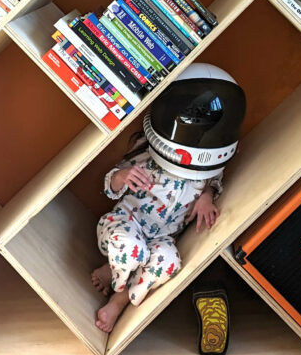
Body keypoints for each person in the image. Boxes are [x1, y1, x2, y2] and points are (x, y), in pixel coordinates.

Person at [91, 63, 246, 333]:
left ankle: (120, 296)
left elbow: (214, 181)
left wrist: (207, 196)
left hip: (162, 238)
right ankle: (117, 277)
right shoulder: (146, 152)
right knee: (130, 248)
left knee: (170, 263)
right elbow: (110, 184)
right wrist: (123, 177)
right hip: (126, 222)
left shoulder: (209, 171)